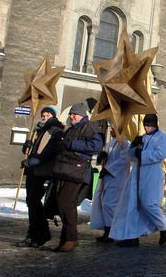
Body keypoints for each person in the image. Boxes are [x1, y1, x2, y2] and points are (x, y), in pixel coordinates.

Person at [46, 103, 103, 252]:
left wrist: (73, 144)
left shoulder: (90, 128)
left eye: (74, 114)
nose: (71, 116)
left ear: (82, 115)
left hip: (76, 171)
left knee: (66, 203)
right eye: (70, 114)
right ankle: (64, 239)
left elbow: (96, 146)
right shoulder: (71, 129)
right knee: (61, 203)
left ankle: (71, 238)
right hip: (64, 169)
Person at [109, 114, 166, 247]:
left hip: (152, 173)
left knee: (149, 204)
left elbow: (161, 154)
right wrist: (133, 145)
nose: (147, 128)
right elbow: (130, 156)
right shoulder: (142, 138)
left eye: (150, 125)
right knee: (132, 205)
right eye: (145, 125)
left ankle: (164, 226)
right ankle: (132, 236)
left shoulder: (161, 137)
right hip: (137, 174)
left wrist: (143, 155)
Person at [15, 106, 63, 248]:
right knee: (31, 202)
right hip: (33, 171)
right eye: (43, 114)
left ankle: (43, 231)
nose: (44, 117)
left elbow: (48, 152)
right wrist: (27, 146)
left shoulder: (55, 131)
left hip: (43, 171)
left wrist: (33, 161)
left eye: (48, 114)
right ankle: (33, 232)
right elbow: (33, 150)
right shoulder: (38, 131)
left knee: (34, 201)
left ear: (53, 116)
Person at [90, 124, 131, 243]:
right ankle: (107, 230)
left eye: (113, 128)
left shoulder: (125, 143)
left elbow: (124, 160)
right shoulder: (110, 143)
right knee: (103, 204)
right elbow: (105, 159)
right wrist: (100, 158)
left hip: (117, 179)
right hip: (107, 179)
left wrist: (108, 170)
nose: (111, 130)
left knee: (110, 205)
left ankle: (114, 231)